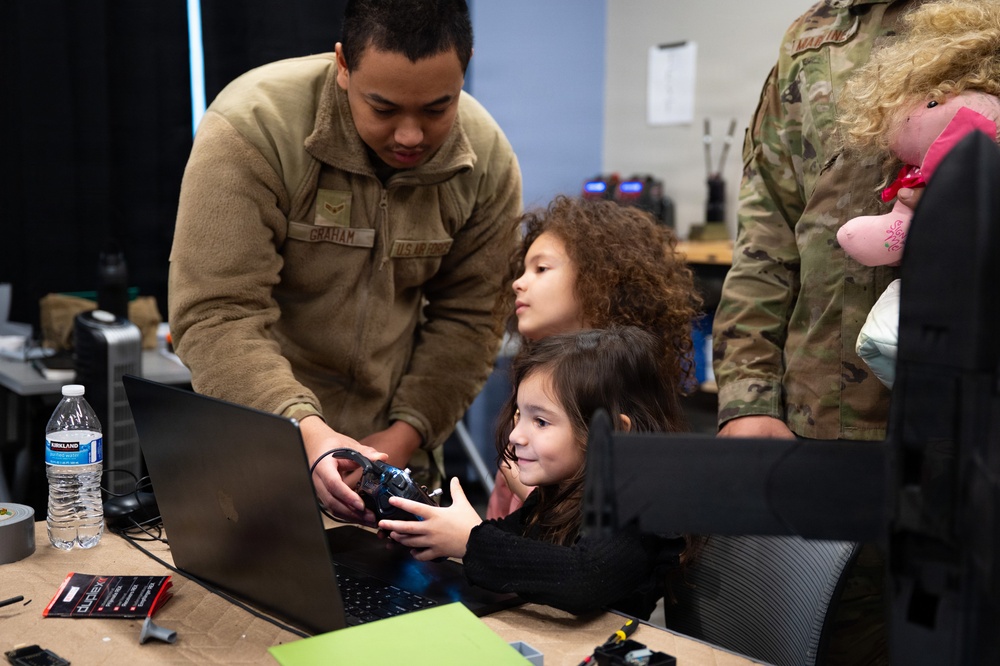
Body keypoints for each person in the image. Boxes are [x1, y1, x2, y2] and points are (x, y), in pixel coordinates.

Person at [167, 0, 522, 524]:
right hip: (261, 445)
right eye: (383, 109)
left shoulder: (486, 162)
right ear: (342, 65)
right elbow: (217, 314)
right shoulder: (253, 127)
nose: (410, 135)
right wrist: (304, 432)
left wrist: (402, 437)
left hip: (393, 462)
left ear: (465, 64)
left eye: (435, 109)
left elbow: (470, 322)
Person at [712, 1, 933, 663]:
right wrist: (748, 401)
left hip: (960, 439)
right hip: (819, 438)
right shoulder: (814, 37)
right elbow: (766, 235)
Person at [380, 327, 692, 619]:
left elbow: (583, 578)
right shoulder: (561, 490)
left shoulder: (634, 510)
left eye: (540, 421)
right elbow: (509, 537)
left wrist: (471, 542)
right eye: (519, 416)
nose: (516, 435)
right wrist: (429, 531)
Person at [484, 195, 701, 519]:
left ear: (597, 281)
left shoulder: (626, 393)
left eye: (541, 268)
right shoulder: (535, 376)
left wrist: (530, 496)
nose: (518, 283)